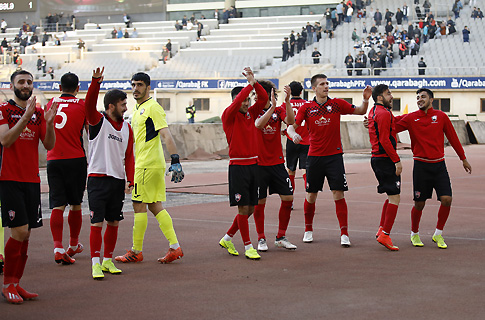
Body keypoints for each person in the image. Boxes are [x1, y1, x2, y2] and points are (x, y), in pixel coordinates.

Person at [286, 74, 372, 246]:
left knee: (338, 193)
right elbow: (290, 126)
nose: (326, 86)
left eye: (327, 83)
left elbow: (361, 111)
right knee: (311, 195)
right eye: (322, 84)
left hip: (334, 157)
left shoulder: (337, 104)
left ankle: (344, 234)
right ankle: (308, 230)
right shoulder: (307, 108)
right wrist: (294, 134)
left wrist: (365, 100)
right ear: (314, 88)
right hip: (314, 157)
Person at [0, 70, 58, 304]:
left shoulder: (40, 113)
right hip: (9, 179)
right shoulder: (4, 110)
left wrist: (50, 123)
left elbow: (49, 144)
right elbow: (5, 140)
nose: (26, 85)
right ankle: (7, 284)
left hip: (32, 180)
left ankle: (16, 282)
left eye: (29, 82)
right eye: (21, 82)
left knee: (27, 235)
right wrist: (25, 117)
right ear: (12, 85)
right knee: (20, 231)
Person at [115, 72, 185, 264]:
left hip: (147, 165)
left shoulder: (152, 108)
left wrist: (176, 160)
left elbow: (166, 135)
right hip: (147, 164)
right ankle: (175, 247)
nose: (135, 88)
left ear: (148, 87)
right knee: (155, 206)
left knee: (138, 205)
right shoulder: (138, 109)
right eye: (133, 85)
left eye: (139, 85)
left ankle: (136, 251)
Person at [395, 89, 471, 248]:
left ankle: (438, 234)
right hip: (421, 166)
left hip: (439, 165)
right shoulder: (411, 117)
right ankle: (414, 234)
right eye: (417, 97)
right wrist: (373, 123)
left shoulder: (441, 117)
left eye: (423, 97)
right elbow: (391, 126)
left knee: (447, 199)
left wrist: (463, 159)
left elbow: (453, 138)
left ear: (431, 100)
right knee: (419, 204)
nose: (419, 99)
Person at [85, 67, 134, 279]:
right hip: (97, 178)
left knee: (114, 222)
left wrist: (129, 179)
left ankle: (107, 260)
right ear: (111, 106)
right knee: (97, 222)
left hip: (117, 180)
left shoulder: (127, 128)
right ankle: (95, 263)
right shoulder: (98, 121)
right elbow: (88, 105)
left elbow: (129, 156)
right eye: (123, 104)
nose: (126, 108)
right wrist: (96, 82)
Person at [218, 67, 267, 260]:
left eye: (248, 100)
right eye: (244, 100)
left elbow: (263, 99)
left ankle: (228, 237)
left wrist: (254, 83)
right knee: (242, 207)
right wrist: (248, 85)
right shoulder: (228, 115)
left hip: (253, 165)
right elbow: (239, 100)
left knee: (251, 208)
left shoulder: (251, 113)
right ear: (235, 101)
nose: (247, 103)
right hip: (238, 167)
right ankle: (248, 246)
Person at [46, 72, 87, 265]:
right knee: (76, 203)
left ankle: (57, 247)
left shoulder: (51, 104)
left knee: (57, 204)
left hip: (53, 158)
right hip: (75, 159)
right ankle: (73, 243)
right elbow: (90, 132)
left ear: (59, 87)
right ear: (78, 88)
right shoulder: (82, 105)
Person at [252, 82, 296, 252]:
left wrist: (287, 101)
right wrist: (271, 108)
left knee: (288, 198)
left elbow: (291, 121)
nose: (256, 97)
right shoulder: (254, 111)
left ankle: (281, 236)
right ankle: (261, 238)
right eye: (256, 94)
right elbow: (258, 125)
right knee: (259, 202)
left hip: (277, 163)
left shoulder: (279, 110)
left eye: (260, 94)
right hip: (259, 164)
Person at [368, 84, 402, 251]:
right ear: (380, 97)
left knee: (390, 196)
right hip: (384, 159)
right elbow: (384, 140)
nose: (392, 96)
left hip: (378, 158)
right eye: (389, 94)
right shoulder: (382, 113)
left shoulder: (375, 111)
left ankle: (382, 229)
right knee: (395, 197)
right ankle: (385, 233)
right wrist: (397, 160)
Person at [285, 81, 309, 196]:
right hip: (306, 141)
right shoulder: (307, 104)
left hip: (291, 141)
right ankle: (309, 196)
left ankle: (290, 198)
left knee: (291, 170)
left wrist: (284, 131)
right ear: (301, 92)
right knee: (305, 170)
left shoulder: (286, 105)